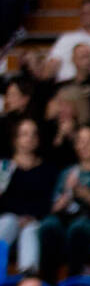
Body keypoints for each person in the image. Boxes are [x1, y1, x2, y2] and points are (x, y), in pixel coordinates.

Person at [36, 125, 90, 277]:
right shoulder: (67, 172)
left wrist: (80, 191)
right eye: (80, 141)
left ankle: (73, 277)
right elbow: (54, 207)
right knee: (48, 225)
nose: (84, 146)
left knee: (78, 228)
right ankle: (47, 279)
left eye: (89, 141)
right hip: (67, 219)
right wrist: (65, 198)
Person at [0, 118, 55, 275]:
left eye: (33, 134)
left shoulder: (47, 169)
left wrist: (29, 217)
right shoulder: (4, 168)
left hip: (34, 220)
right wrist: (19, 217)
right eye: (24, 134)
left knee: (30, 231)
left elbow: (47, 201)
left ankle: (27, 277)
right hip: (7, 218)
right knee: (9, 221)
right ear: (15, 139)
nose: (30, 138)